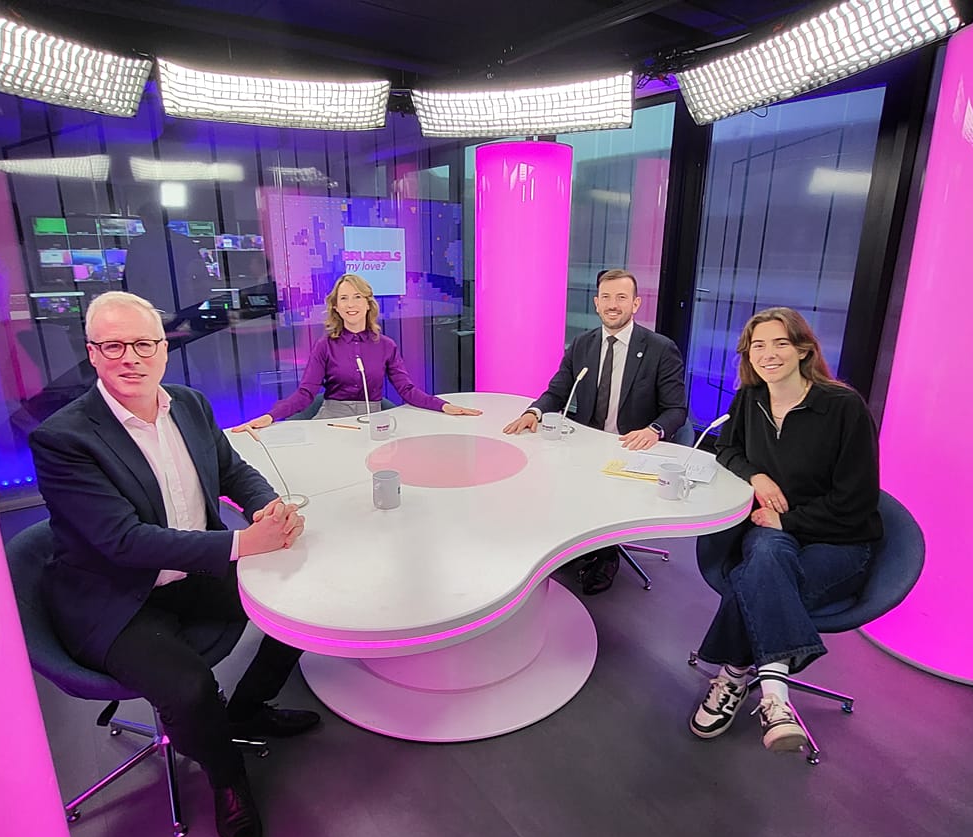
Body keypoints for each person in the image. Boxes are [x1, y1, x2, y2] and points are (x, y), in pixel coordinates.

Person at [29, 291, 317, 837]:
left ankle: (248, 709)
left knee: (298, 605)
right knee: (188, 688)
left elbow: (232, 468)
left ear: (165, 349)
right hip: (116, 597)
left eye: (143, 343)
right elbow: (121, 541)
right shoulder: (65, 438)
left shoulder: (188, 404)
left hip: (193, 570)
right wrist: (239, 544)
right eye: (113, 345)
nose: (129, 357)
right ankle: (227, 778)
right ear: (92, 353)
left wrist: (263, 506)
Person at [689, 307, 881, 755]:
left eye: (779, 343)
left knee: (751, 578)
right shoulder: (749, 399)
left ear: (802, 350)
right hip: (771, 535)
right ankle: (776, 698)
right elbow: (726, 449)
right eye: (758, 345)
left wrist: (787, 519)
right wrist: (757, 477)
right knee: (769, 556)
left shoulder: (842, 408)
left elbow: (856, 504)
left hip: (839, 541)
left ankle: (735, 675)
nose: (768, 354)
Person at [502, 268, 687, 594]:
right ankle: (580, 545)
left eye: (621, 297)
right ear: (596, 303)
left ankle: (606, 555)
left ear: (636, 304)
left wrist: (654, 430)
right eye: (606, 297)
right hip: (586, 444)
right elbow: (557, 391)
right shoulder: (582, 345)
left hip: (632, 449)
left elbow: (677, 409)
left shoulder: (660, 348)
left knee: (603, 495)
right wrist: (534, 411)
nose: (612, 304)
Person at [231, 273, 481, 430]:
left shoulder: (386, 345)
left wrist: (445, 406)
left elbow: (407, 390)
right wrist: (269, 417)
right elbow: (306, 394)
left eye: (357, 297)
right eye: (344, 299)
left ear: (368, 303)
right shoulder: (325, 345)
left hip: (373, 421)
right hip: (333, 421)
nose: (351, 304)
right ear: (336, 307)